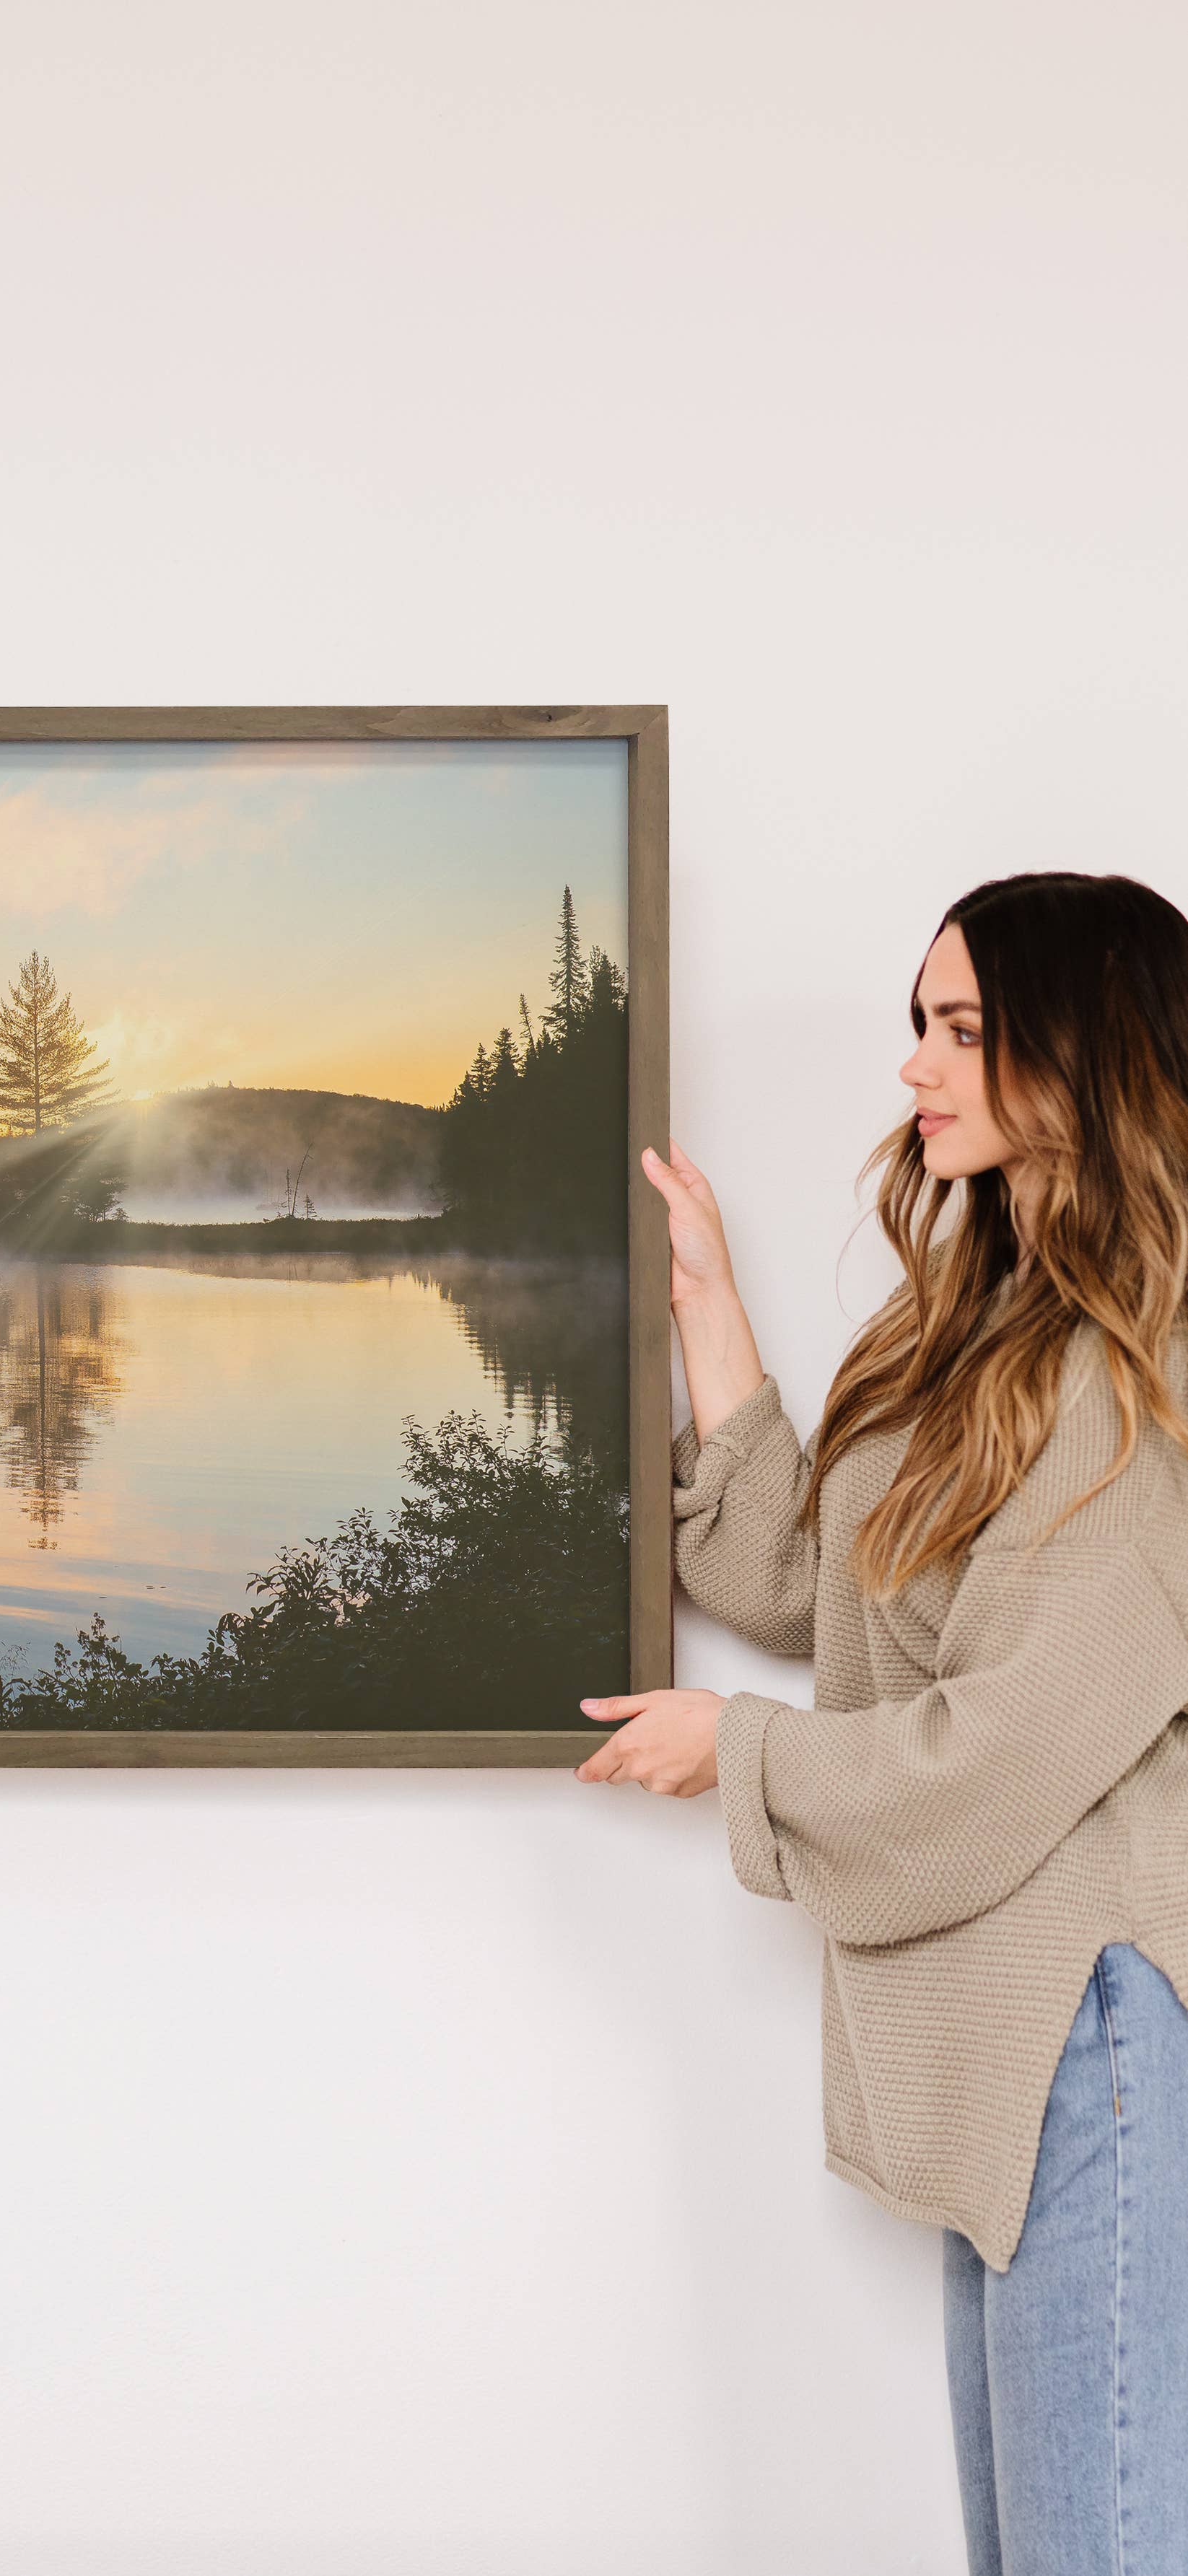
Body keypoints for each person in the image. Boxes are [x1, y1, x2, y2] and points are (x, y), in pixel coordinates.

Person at [577, 872, 1188, 2573]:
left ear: (1088, 1054)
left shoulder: (1153, 1373)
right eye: (919, 1026)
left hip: (1099, 2045)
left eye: (966, 1030)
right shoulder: (978, 1323)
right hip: (1008, 2049)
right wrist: (706, 1299)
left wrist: (737, 1756)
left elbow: (1007, 1748)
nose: (919, 1068)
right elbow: (809, 1583)